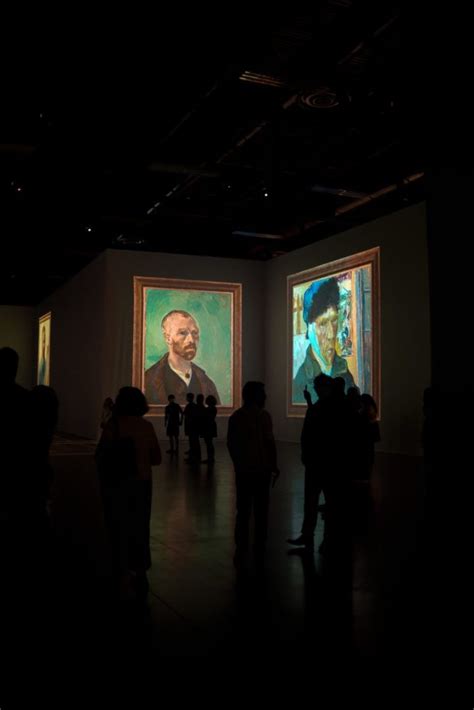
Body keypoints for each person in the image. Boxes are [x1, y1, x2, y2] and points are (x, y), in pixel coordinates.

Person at [96, 387, 161, 601]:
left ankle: (118, 570)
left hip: (117, 484)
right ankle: (140, 571)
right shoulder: (146, 426)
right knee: (140, 527)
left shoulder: (113, 426)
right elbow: (156, 459)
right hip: (142, 484)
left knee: (117, 526)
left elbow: (101, 456)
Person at [227, 381, 280, 565]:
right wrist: (272, 464)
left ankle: (243, 547)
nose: (265, 396)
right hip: (260, 471)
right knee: (260, 511)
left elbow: (232, 444)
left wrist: (239, 464)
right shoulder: (263, 416)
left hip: (247, 471)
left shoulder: (237, 417)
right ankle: (259, 546)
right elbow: (269, 442)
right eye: (262, 393)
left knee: (244, 511)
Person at [293, 278, 355, 404]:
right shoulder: (300, 384)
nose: (331, 335)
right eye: (322, 324)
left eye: (334, 320)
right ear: (309, 329)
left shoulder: (344, 371)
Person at [145, 310, 221, 405]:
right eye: (183, 333)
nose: (191, 340)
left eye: (194, 333)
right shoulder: (149, 380)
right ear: (168, 338)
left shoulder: (207, 383)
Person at [202, 394, 217, 464]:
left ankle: (210, 458)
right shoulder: (214, 408)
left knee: (208, 443)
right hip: (212, 426)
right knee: (210, 443)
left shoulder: (208, 409)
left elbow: (205, 417)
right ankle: (211, 458)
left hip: (208, 426)